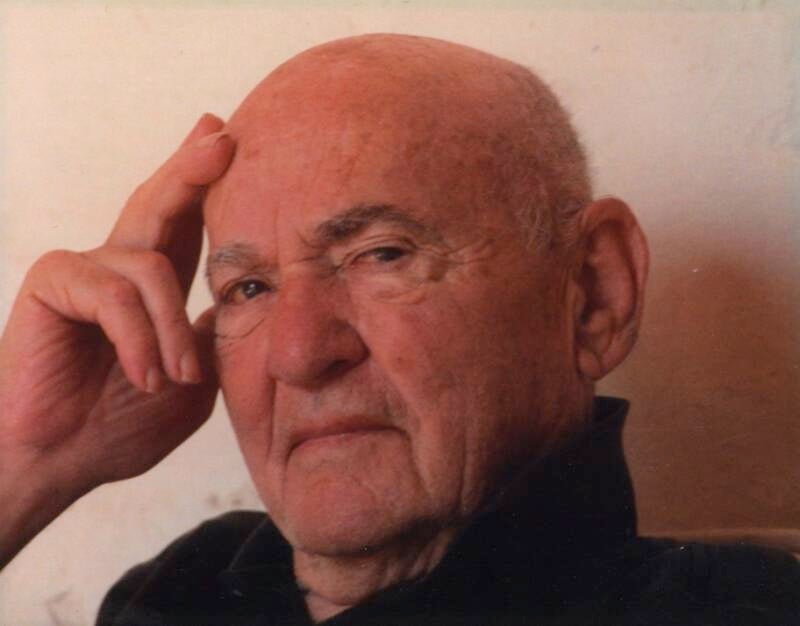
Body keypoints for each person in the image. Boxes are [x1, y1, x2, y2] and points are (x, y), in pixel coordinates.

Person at [0, 34, 798, 625]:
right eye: (248, 287)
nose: (298, 354)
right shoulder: (181, 587)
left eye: (381, 254)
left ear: (594, 294)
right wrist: (29, 459)